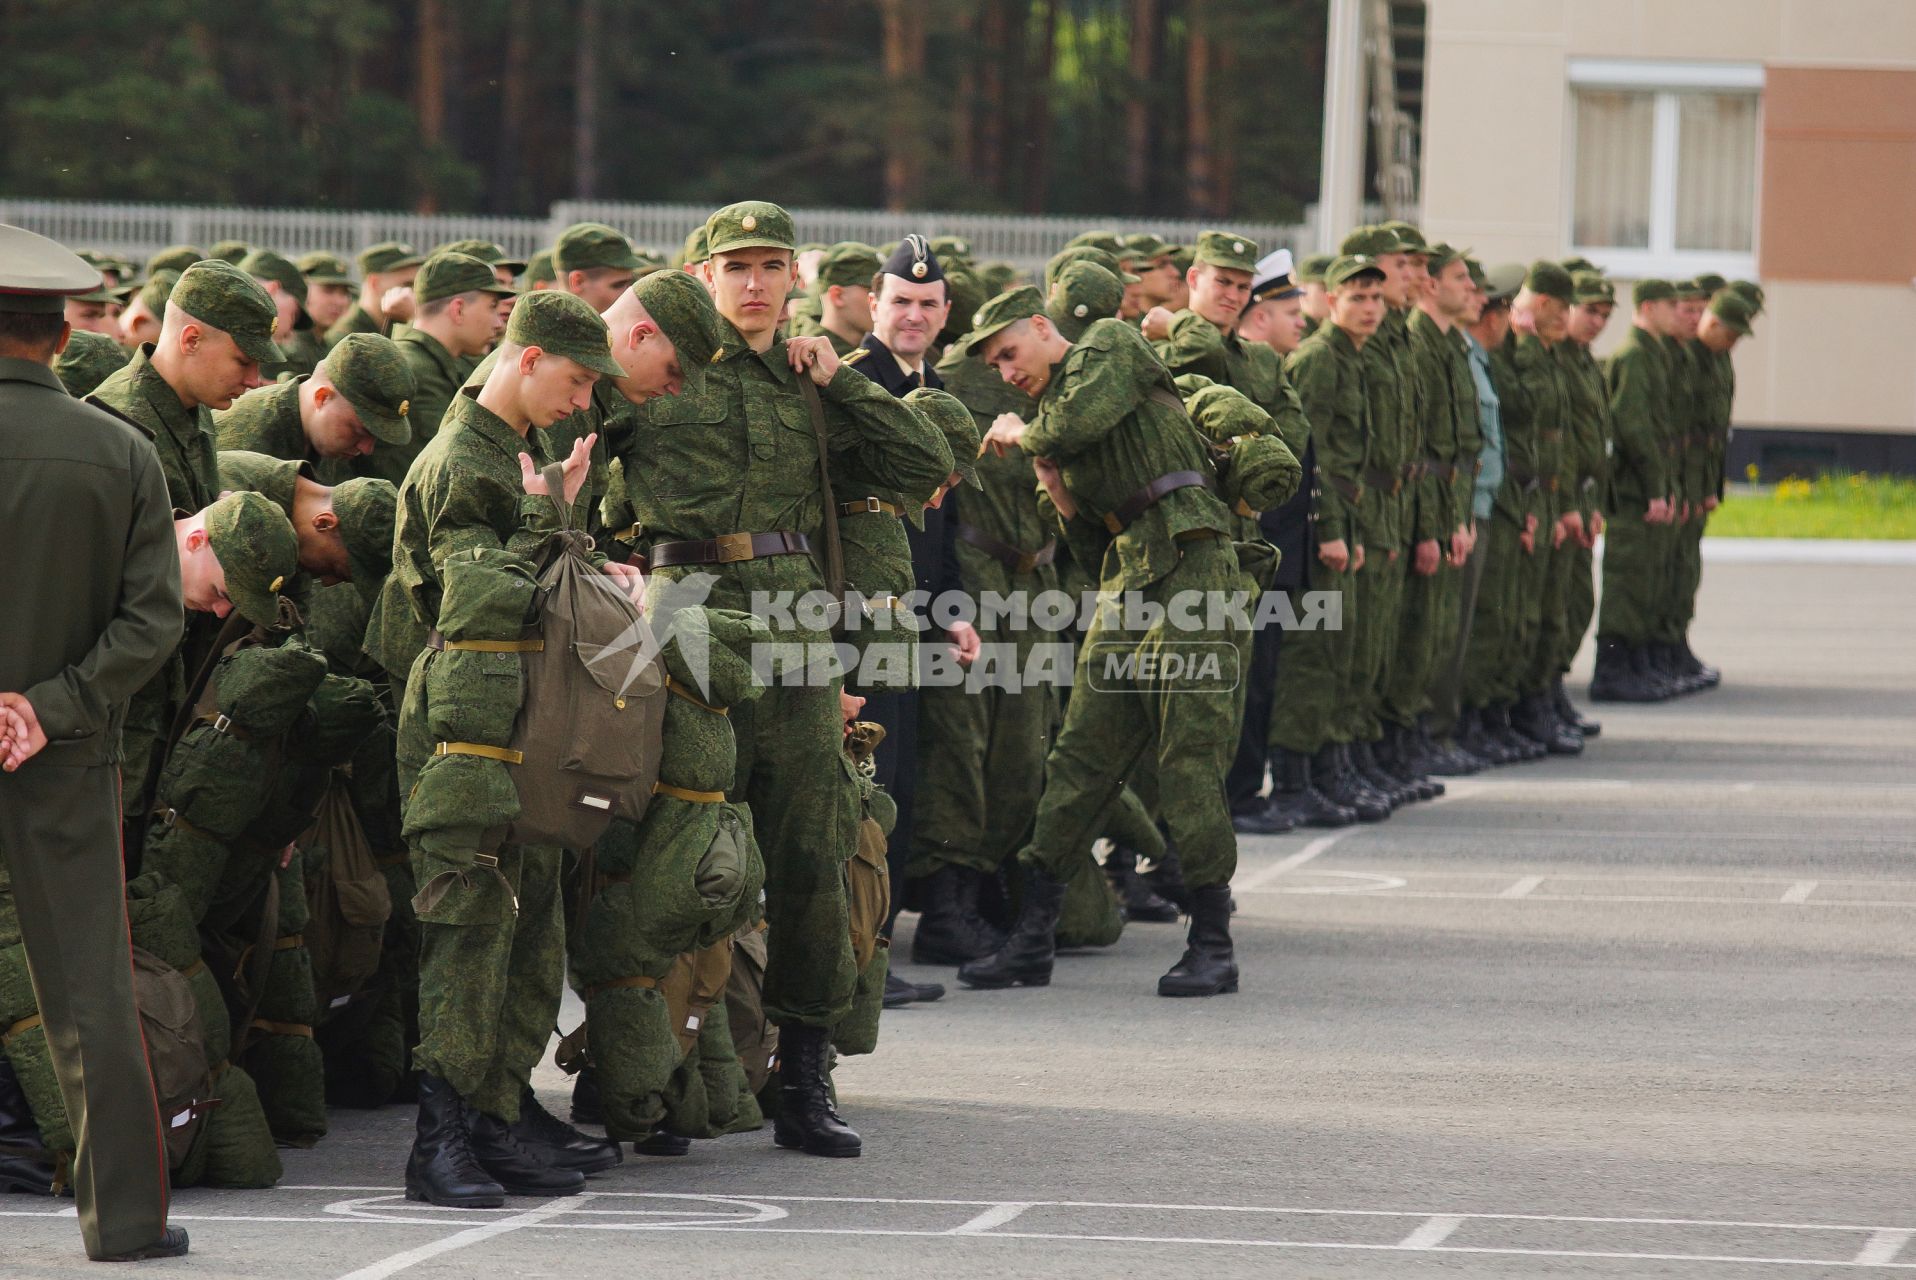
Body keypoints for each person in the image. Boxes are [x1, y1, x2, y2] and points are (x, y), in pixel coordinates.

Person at [620, 201, 950, 1156]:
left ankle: (803, 1071)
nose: (755, 283)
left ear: (796, 277)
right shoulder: (657, 369)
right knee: (678, 846)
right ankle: (659, 1072)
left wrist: (842, 380)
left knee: (810, 848)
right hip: (685, 609)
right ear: (705, 276)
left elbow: (923, 463)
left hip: (796, 620)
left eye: (771, 265)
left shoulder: (811, 378)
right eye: (737, 267)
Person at [376, 290, 636, 1209]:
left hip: (516, 725)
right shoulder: (460, 464)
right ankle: (437, 1138)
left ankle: (495, 1110)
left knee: (530, 932)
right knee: (469, 929)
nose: (580, 400)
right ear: (526, 360)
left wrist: (566, 524)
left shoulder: (510, 456)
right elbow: (474, 606)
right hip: (462, 728)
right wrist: (542, 521)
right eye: (574, 380)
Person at [955, 285, 1250, 999]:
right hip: (1130, 584)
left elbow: (1073, 422)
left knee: (1188, 758)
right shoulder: (1054, 427)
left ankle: (1212, 938)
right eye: (994, 365)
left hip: (1197, 568)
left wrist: (1032, 442)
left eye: (1009, 352)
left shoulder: (1107, 350)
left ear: (1039, 326)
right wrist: (1056, 494)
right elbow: (1088, 549)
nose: (1006, 371)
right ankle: (1033, 936)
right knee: (1079, 757)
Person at [0, 224, 188, 1262]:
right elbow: (153, 620)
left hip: (47, 735)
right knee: (89, 997)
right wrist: (48, 705)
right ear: (64, 336)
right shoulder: (122, 449)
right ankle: (122, 1219)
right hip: (63, 753)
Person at [1269, 255, 1391, 823]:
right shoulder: (1319, 359)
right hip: (1319, 527)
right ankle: (1295, 781)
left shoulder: (1355, 357)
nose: (1369, 309)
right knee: (1310, 656)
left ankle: (1327, 767)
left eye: (1376, 299)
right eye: (1357, 298)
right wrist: (1331, 531)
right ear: (1330, 299)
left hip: (1346, 518)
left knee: (1339, 653)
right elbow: (1308, 457)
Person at [89, 258, 279, 513]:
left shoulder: (196, 406)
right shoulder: (117, 425)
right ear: (191, 340)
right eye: (243, 361)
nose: (254, 381)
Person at [1590, 279, 1681, 703]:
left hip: (1644, 488)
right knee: (1625, 585)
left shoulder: (1652, 354)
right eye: (1670, 305)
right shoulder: (1635, 356)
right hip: (1631, 491)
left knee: (1642, 582)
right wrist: (1654, 488)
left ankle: (1633, 665)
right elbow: (1635, 428)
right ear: (1647, 307)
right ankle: (1611, 671)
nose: (1677, 312)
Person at [370, 251, 516, 484]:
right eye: (491, 307)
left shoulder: (441, 367)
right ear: (458, 309)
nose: (498, 322)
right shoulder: (410, 371)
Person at [214, 331, 416, 481]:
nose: (366, 448)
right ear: (322, 397)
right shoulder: (248, 444)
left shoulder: (321, 434)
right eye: (359, 430)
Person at [327, 241, 422, 344]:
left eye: (417, 285)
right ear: (374, 283)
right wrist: (414, 319)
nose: (413, 293)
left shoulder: (393, 322)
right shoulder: (348, 338)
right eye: (407, 285)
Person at [297, 251, 357, 343]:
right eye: (329, 290)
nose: (339, 301)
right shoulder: (291, 348)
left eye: (344, 293)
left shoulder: (327, 345)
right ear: (302, 291)